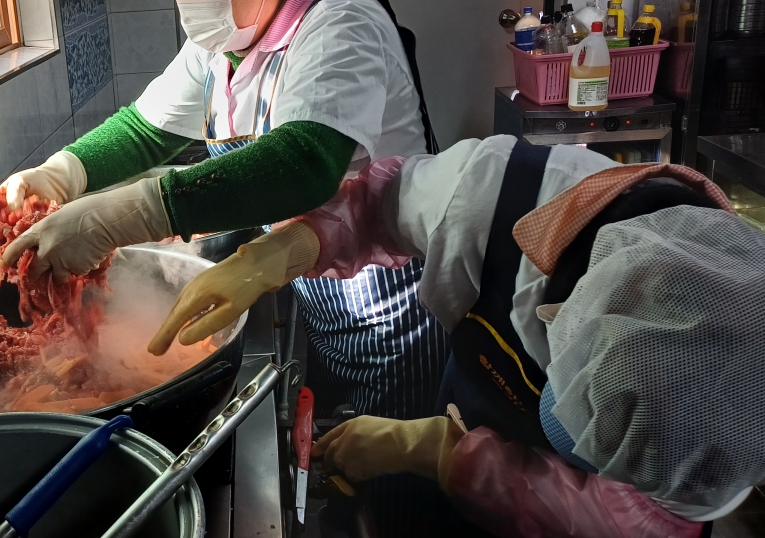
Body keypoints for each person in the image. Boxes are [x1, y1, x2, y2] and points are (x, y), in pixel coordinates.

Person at [0, 0, 448, 422]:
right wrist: (62, 173)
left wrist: (117, 218)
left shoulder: (340, 25)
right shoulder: (221, 45)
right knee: (339, 446)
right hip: (318, 288)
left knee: (394, 457)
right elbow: (146, 130)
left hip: (392, 305)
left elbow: (303, 164)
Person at [151, 134, 765, 537]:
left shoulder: (733, 429)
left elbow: (620, 521)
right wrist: (279, 251)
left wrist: (434, 452)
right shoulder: (496, 195)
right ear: (556, 313)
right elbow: (372, 205)